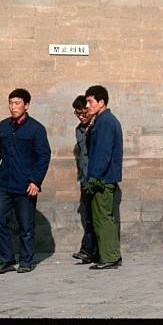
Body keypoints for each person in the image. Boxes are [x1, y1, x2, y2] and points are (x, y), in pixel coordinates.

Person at [0, 88, 51, 273]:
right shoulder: (4, 125)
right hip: (4, 183)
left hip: (25, 185)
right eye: (11, 103)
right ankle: (6, 259)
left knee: (26, 225)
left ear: (26, 105)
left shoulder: (36, 128)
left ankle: (26, 261)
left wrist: (35, 181)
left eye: (17, 103)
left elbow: (44, 156)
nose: (13, 107)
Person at [84, 85, 123, 269]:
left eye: (90, 101)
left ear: (101, 102)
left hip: (103, 180)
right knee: (103, 218)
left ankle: (110, 257)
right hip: (104, 178)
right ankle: (109, 254)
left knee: (103, 218)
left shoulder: (106, 121)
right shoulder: (101, 120)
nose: (87, 105)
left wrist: (95, 177)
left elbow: (103, 152)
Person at [71, 95, 98, 264]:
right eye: (77, 114)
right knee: (89, 216)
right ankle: (89, 251)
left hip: (97, 178)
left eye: (83, 113)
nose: (80, 117)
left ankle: (89, 250)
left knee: (97, 217)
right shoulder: (79, 130)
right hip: (85, 179)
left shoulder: (98, 127)